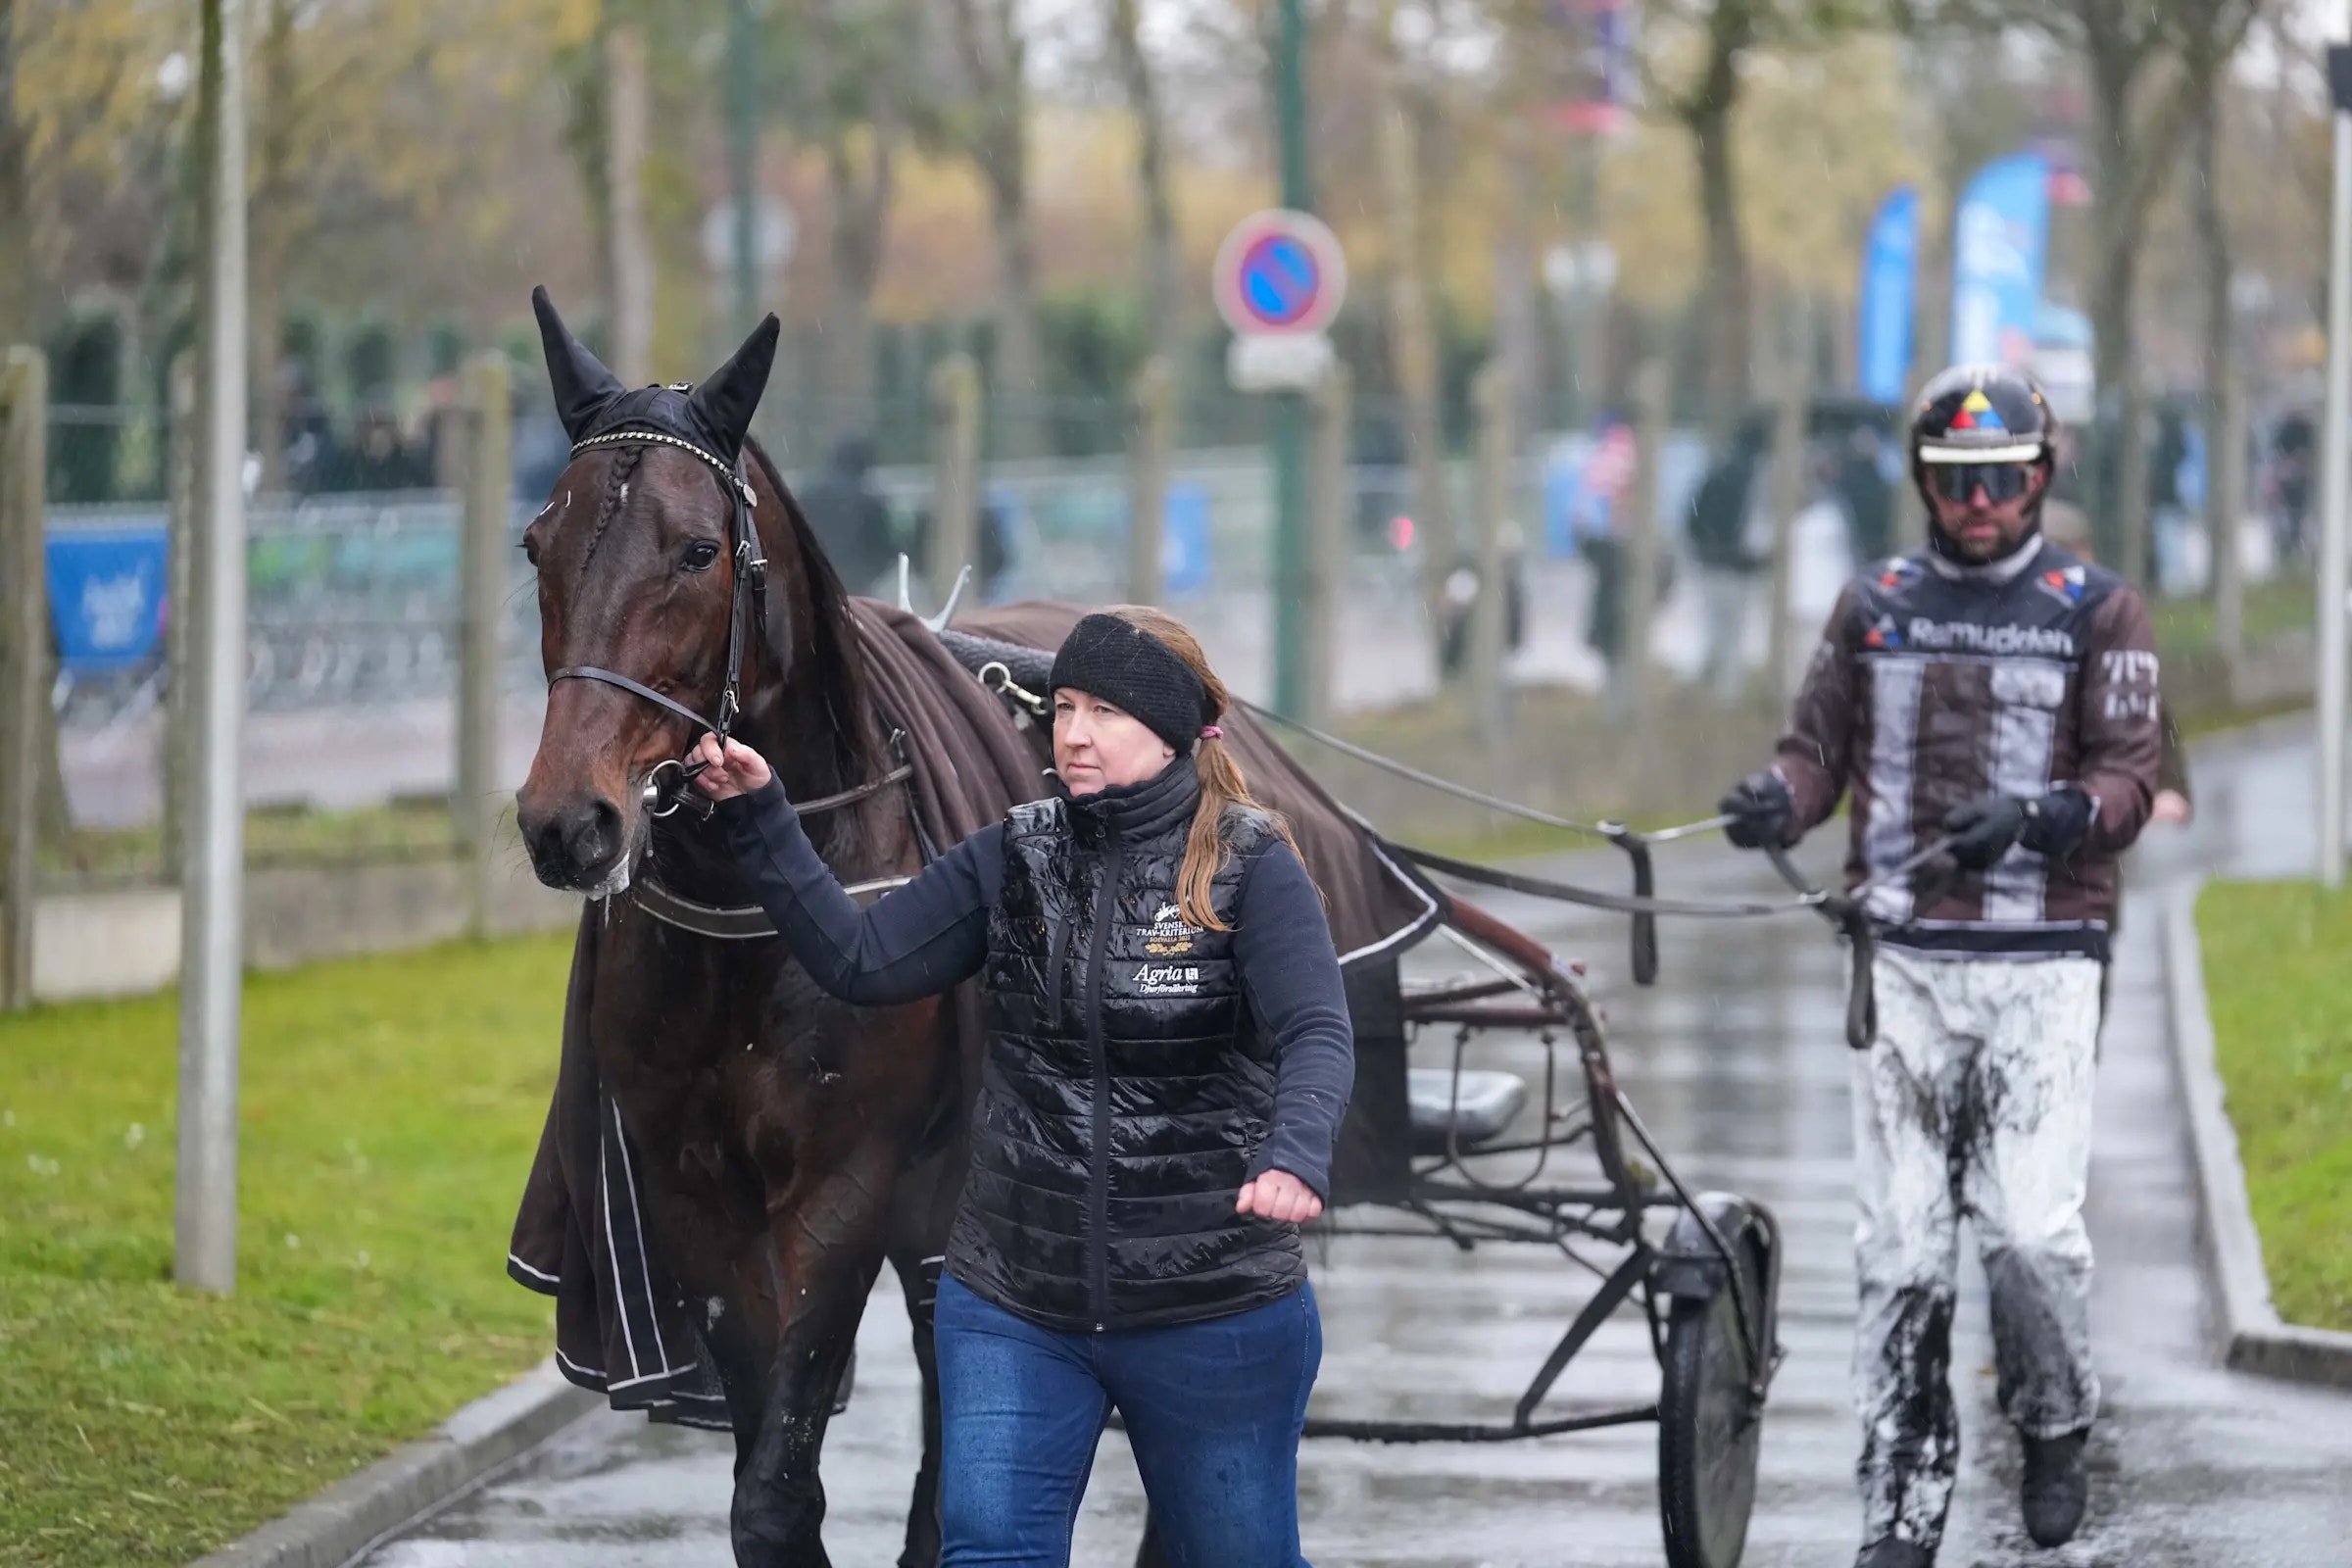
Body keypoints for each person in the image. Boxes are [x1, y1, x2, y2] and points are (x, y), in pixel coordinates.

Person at [691, 606, 1349, 1568]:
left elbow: (1315, 1030)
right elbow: (861, 959)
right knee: (992, 1553)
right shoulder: (1015, 854)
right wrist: (762, 815)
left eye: (1105, 712)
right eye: (1064, 706)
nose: (1073, 733)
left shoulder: (1251, 867)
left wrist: (1295, 1153)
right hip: (1015, 1306)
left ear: (1171, 729)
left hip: (1212, 1306)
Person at [1715, 366, 2162, 1568]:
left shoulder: (2098, 610)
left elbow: (2129, 779)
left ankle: (2054, 1418)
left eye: (2002, 480)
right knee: (1903, 1253)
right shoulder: (1873, 604)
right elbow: (1815, 755)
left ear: (2041, 477)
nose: (1979, 503)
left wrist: (2042, 815)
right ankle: (1901, 1509)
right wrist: (1776, 799)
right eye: (1957, 481)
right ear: (1923, 482)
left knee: (2028, 1233)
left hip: (2044, 962)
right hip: (1902, 963)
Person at [1686, 414, 1770, 705]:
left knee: (1713, 626)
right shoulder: (1757, 478)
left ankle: (1709, 680)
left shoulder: (1717, 471)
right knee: (1734, 630)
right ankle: (1726, 693)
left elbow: (1693, 516)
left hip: (1711, 561)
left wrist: (1705, 545)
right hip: (1740, 564)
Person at [800, 434, 898, 595]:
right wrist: (868, 575)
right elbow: (884, 548)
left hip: (815, 582)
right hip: (856, 586)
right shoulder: (870, 502)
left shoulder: (808, 494)